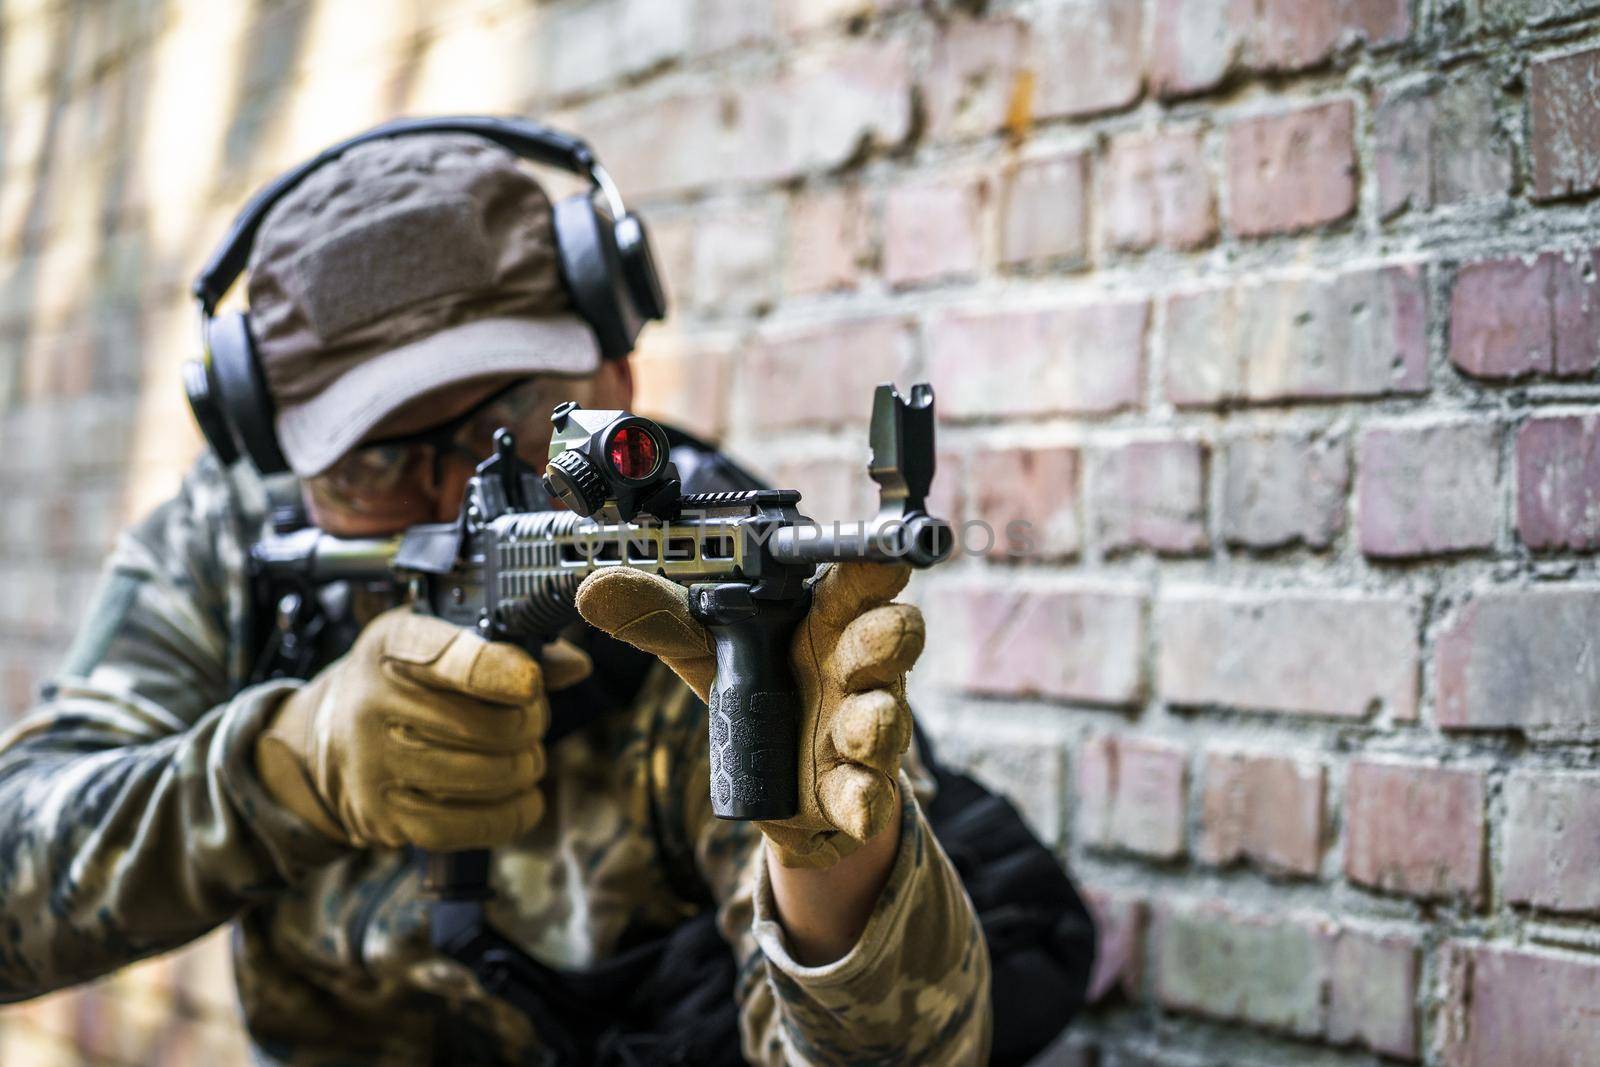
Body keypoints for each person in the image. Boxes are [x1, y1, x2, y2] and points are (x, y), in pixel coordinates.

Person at [0, 122, 995, 1064]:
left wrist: (834, 884)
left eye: (520, 411)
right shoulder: (237, 548)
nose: (454, 491)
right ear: (281, 460)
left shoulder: (698, 572)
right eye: (373, 459)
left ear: (617, 373)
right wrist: (283, 769)